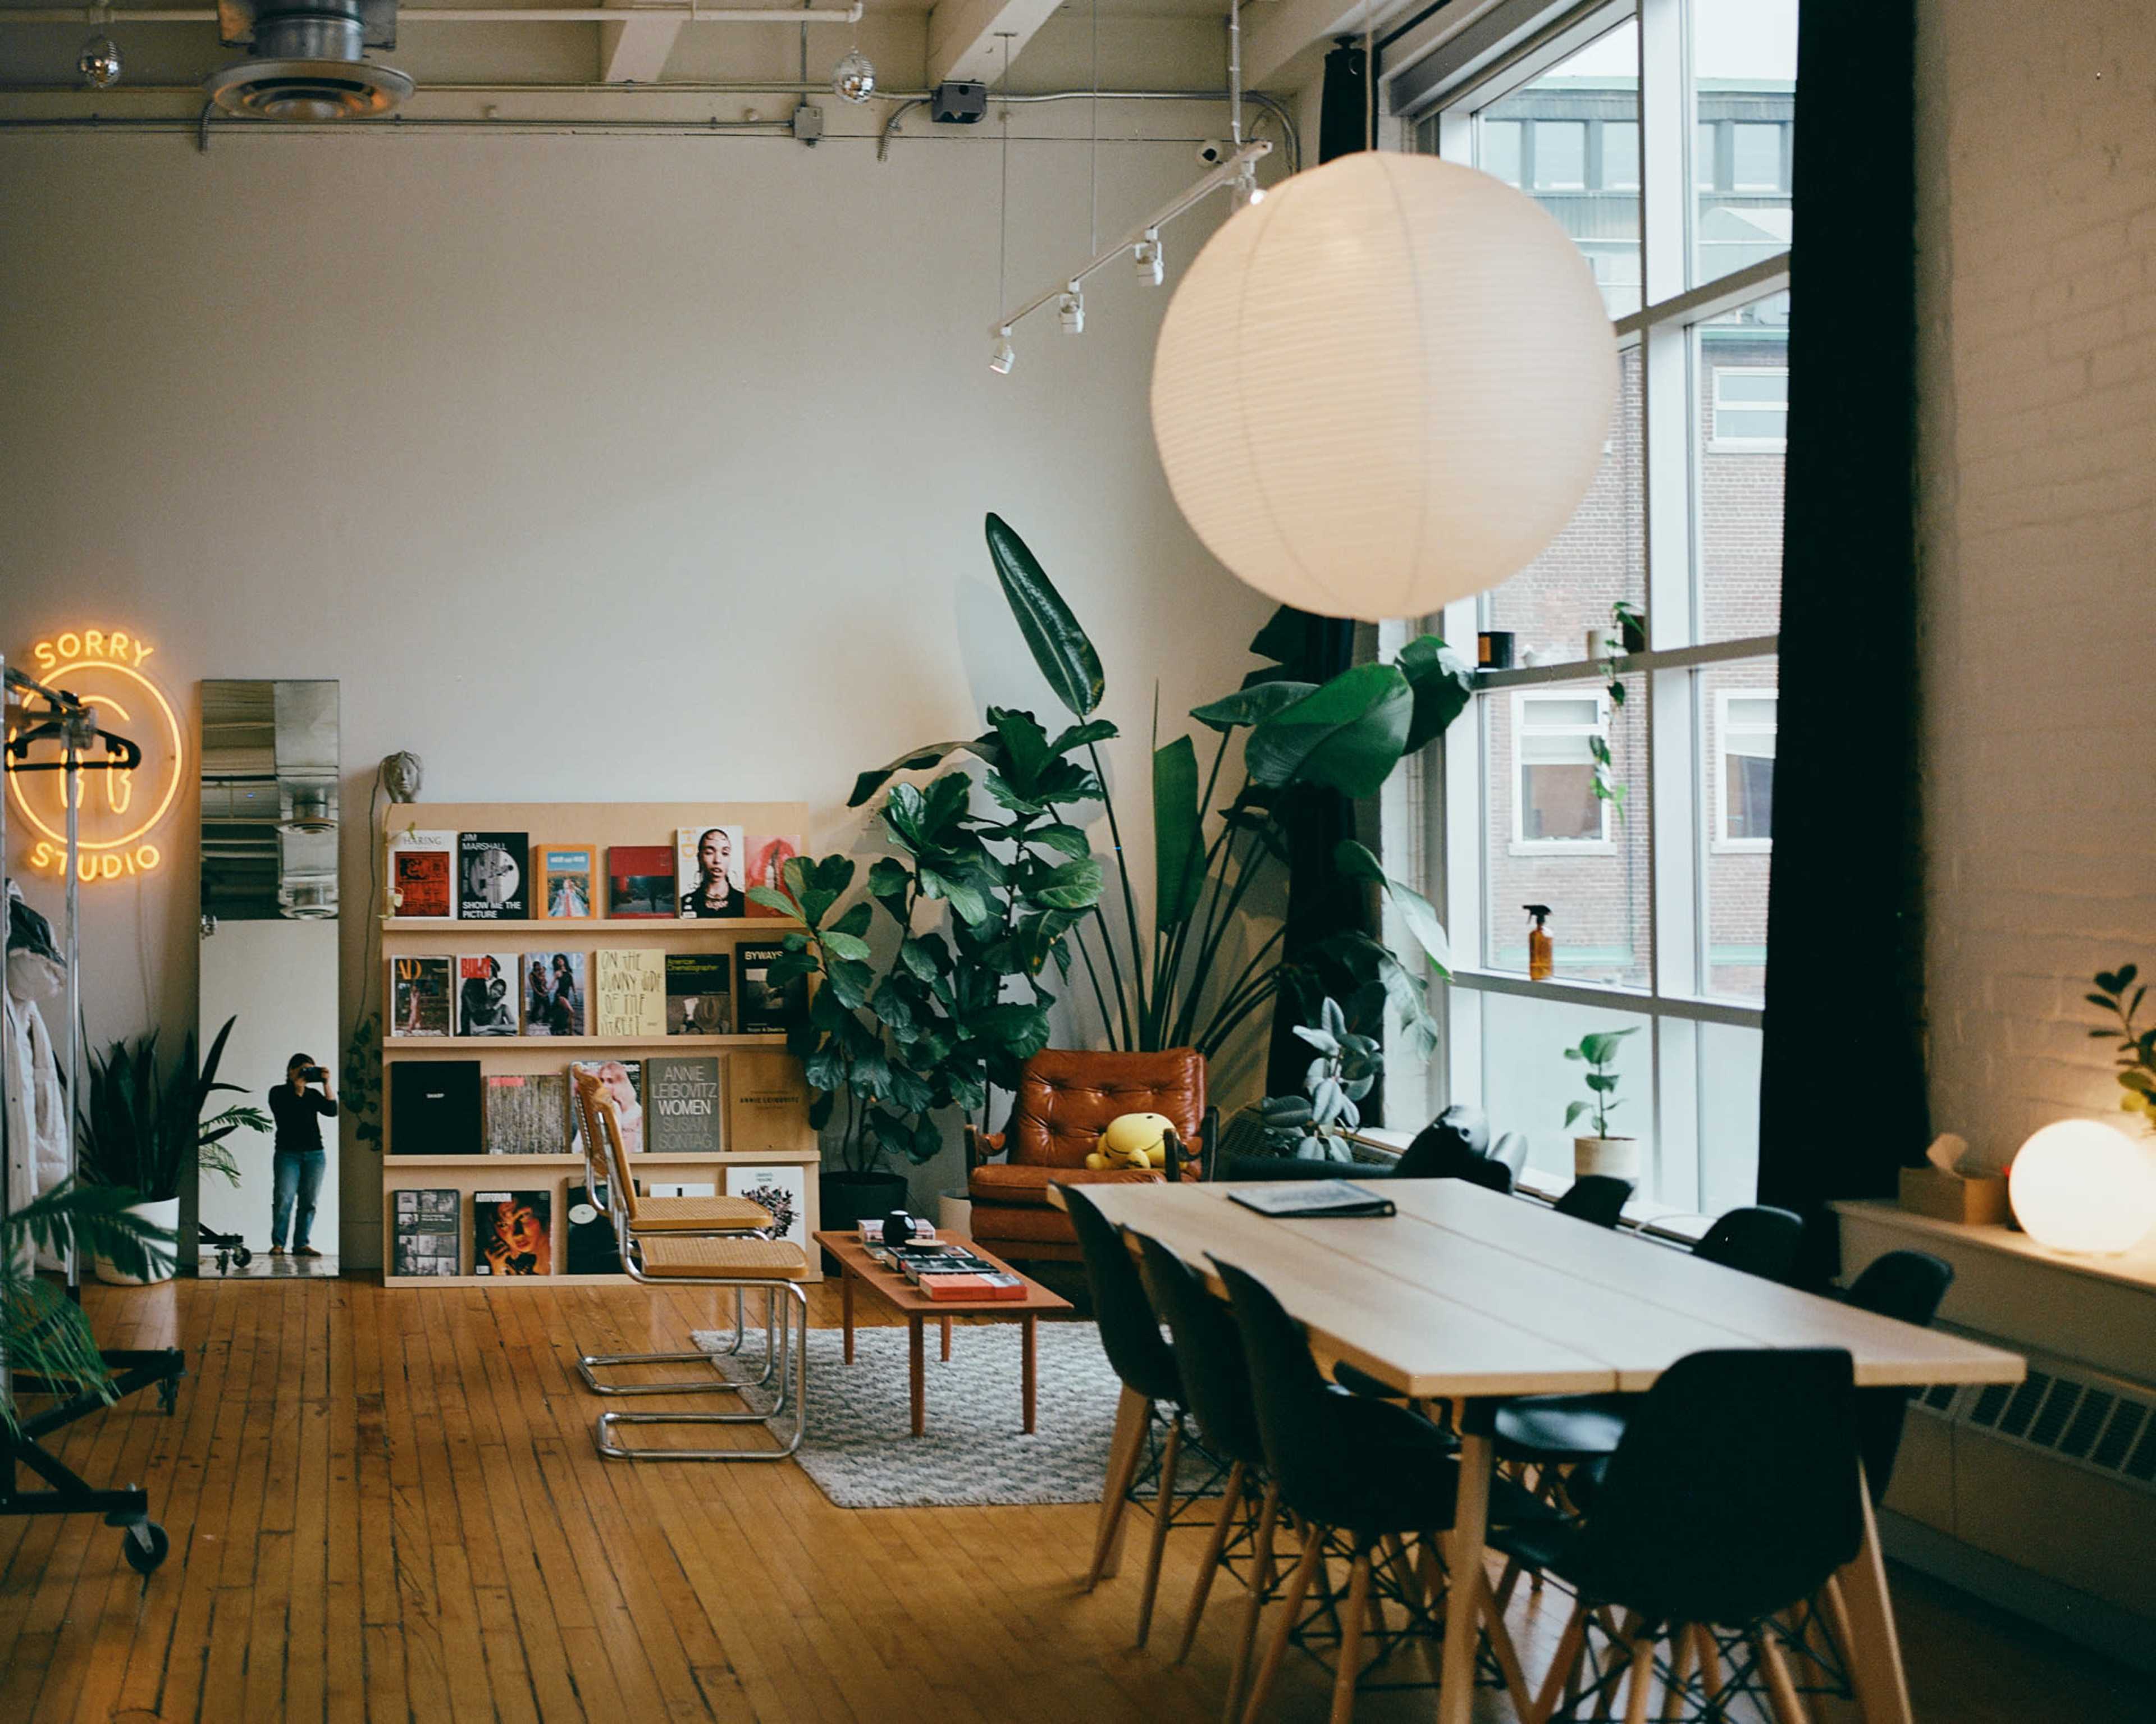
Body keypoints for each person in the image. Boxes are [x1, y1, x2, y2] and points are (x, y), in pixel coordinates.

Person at [268, 1053, 337, 1259]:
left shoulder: (314, 1094)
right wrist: (297, 1087)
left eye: (311, 1071)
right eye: (303, 1070)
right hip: (287, 1154)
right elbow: (283, 1113)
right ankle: (278, 1244)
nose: (307, 1074)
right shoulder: (278, 1093)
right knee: (283, 1198)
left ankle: (301, 1244)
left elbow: (332, 1111)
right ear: (291, 1071)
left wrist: (326, 1084)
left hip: (315, 1154)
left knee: (309, 1202)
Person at [679, 827, 744, 917]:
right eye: (709, 852)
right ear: (699, 858)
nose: (717, 860)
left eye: (725, 853)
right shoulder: (684, 903)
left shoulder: (744, 902)